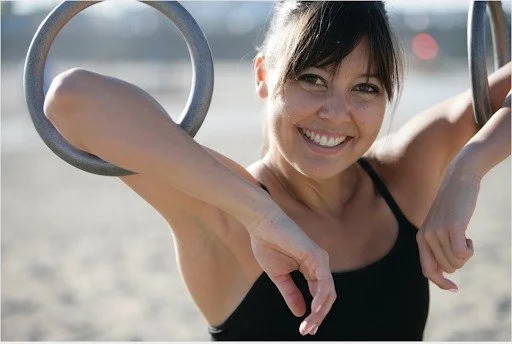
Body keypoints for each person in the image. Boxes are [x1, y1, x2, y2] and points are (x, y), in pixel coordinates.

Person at [43, 1, 510, 341]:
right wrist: (262, 217)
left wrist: (468, 167)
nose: (335, 112)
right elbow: (73, 100)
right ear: (264, 76)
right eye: (312, 79)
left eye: (365, 87)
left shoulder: (402, 176)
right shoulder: (222, 215)